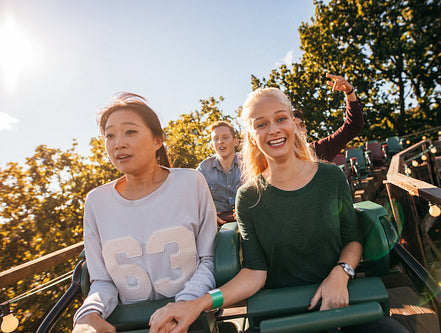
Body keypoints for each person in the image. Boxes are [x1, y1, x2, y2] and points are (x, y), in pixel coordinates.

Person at [149, 87, 409, 332]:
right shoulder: (249, 197)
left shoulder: (331, 177)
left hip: (340, 301)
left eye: (280, 119)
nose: (273, 130)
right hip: (283, 312)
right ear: (251, 135)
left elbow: (352, 239)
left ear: (294, 124)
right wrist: (198, 303)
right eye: (261, 124)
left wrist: (341, 273)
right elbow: (255, 271)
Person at [72, 93, 217, 333]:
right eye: (110, 135)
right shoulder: (96, 202)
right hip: (129, 325)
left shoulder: (191, 182)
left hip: (191, 320)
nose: (118, 143)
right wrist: (89, 314)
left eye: (130, 132)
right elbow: (103, 281)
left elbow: (209, 260)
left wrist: (183, 305)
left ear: (157, 140)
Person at [294, 73, 364, 162]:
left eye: (302, 125)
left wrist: (349, 92)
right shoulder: (274, 164)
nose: (299, 131)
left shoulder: (316, 151)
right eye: (293, 127)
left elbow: (353, 125)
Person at [197, 121, 241, 225]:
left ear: (236, 142)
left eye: (225, 137)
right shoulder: (203, 169)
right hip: (217, 223)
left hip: (247, 219)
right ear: (212, 145)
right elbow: (192, 199)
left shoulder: (249, 163)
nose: (220, 141)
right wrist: (208, 216)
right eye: (216, 139)